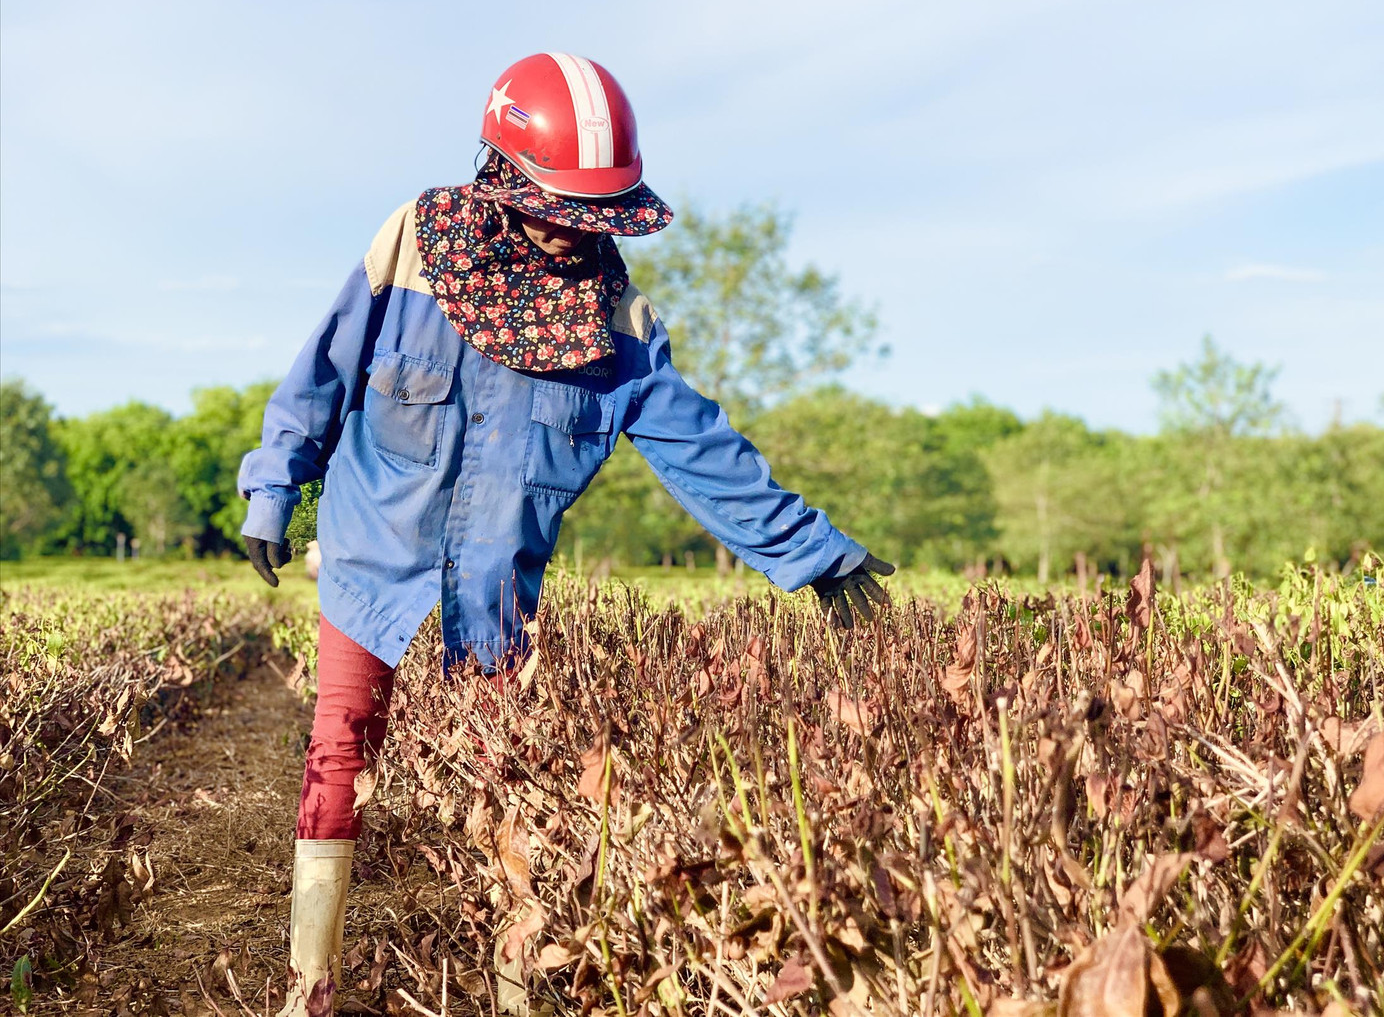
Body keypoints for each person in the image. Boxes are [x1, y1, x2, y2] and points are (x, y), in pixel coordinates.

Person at [238, 52, 894, 1016]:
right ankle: (312, 987)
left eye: (591, 214)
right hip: (374, 559)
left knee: (512, 782)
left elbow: (704, 452)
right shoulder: (417, 243)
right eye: (555, 207)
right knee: (339, 751)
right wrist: (272, 487)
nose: (569, 232)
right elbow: (323, 370)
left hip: (495, 595)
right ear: (502, 176)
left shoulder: (621, 325)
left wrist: (815, 555)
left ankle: (511, 990)